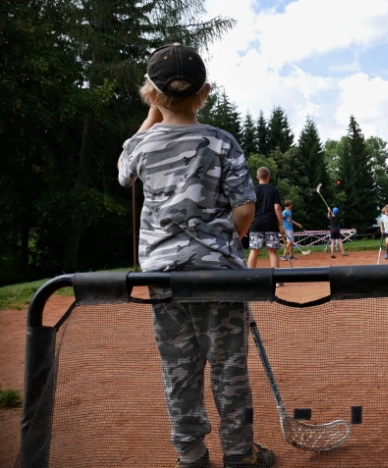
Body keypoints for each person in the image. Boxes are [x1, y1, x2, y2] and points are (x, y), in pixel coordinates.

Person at [117, 44, 275, 468]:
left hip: (165, 280)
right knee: (230, 373)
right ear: (206, 92)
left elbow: (122, 172)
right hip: (219, 278)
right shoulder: (221, 141)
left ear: (150, 94)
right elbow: (244, 209)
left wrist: (151, 118)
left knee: (180, 373)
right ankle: (240, 456)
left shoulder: (141, 146)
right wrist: (228, 245)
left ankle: (191, 456)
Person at [247, 167, 284, 282]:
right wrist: (281, 225)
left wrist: (246, 226)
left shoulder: (252, 190)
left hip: (256, 224)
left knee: (254, 251)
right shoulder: (274, 191)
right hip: (270, 223)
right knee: (272, 251)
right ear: (269, 177)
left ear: (257, 177)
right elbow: (277, 208)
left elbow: (249, 209)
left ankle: (249, 279)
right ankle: (276, 281)